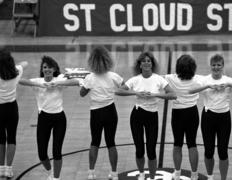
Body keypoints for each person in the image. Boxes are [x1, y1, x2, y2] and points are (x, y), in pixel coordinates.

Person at [117, 51, 176, 180]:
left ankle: (153, 177)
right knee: (139, 149)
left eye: (149, 61)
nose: (146, 63)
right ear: (140, 64)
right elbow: (119, 91)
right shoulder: (135, 79)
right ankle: (142, 174)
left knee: (151, 151)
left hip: (152, 116)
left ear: (152, 64)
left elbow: (173, 95)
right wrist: (136, 93)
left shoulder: (159, 79)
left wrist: (155, 95)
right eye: (143, 61)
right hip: (137, 115)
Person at [19, 55, 80, 180]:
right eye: (45, 67)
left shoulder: (59, 79)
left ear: (54, 69)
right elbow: (21, 80)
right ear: (42, 69)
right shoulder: (38, 81)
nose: (47, 69)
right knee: (42, 154)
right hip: (43, 119)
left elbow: (75, 81)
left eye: (50, 67)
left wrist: (56, 83)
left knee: (57, 151)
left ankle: (56, 178)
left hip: (59, 119)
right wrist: (41, 85)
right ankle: (51, 171)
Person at [189, 54, 232, 180]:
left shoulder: (227, 80)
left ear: (223, 66)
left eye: (219, 65)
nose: (216, 67)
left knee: (223, 152)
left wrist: (228, 85)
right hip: (208, 118)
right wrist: (208, 86)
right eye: (214, 65)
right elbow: (191, 90)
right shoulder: (204, 80)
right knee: (209, 151)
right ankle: (210, 177)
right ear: (210, 66)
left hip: (224, 118)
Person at [79, 46, 124, 180]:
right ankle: (114, 173)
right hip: (110, 111)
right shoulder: (113, 76)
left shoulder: (89, 78)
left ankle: (91, 173)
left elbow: (82, 94)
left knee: (95, 142)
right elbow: (125, 87)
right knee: (111, 142)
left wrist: (83, 84)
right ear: (107, 60)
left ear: (92, 61)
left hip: (96, 113)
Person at [164, 54, 203, 180]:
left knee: (177, 144)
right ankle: (194, 175)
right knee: (192, 144)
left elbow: (154, 78)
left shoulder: (171, 78)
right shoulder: (198, 79)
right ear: (193, 67)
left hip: (178, 114)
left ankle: (177, 173)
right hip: (192, 113)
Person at [0, 49, 28, 178]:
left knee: (1, 139)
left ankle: (1, 168)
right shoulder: (17, 72)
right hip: (12, 108)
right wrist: (17, 65)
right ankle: (9, 169)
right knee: (12, 138)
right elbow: (25, 63)